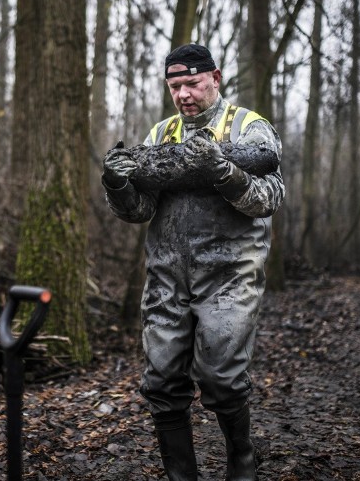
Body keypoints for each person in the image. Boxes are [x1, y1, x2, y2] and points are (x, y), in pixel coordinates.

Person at [102, 44, 284, 481]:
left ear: (215, 78)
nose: (183, 93)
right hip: (168, 275)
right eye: (174, 85)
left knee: (221, 375)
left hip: (230, 273)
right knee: (162, 381)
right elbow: (139, 211)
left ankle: (241, 456)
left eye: (192, 83)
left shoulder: (248, 128)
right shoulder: (161, 134)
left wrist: (222, 171)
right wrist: (117, 184)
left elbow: (270, 199)